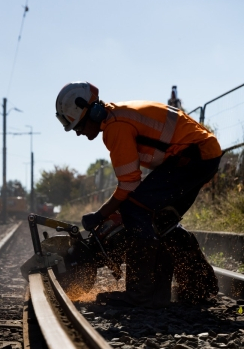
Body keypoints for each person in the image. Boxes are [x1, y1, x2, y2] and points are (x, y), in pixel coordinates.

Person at [55, 81, 222, 307]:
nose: (78, 133)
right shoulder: (116, 117)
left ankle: (140, 294)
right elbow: (134, 181)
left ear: (91, 113)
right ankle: (197, 287)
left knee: (135, 209)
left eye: (78, 126)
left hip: (194, 156)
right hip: (199, 154)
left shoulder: (116, 126)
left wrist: (101, 214)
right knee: (160, 219)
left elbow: (128, 186)